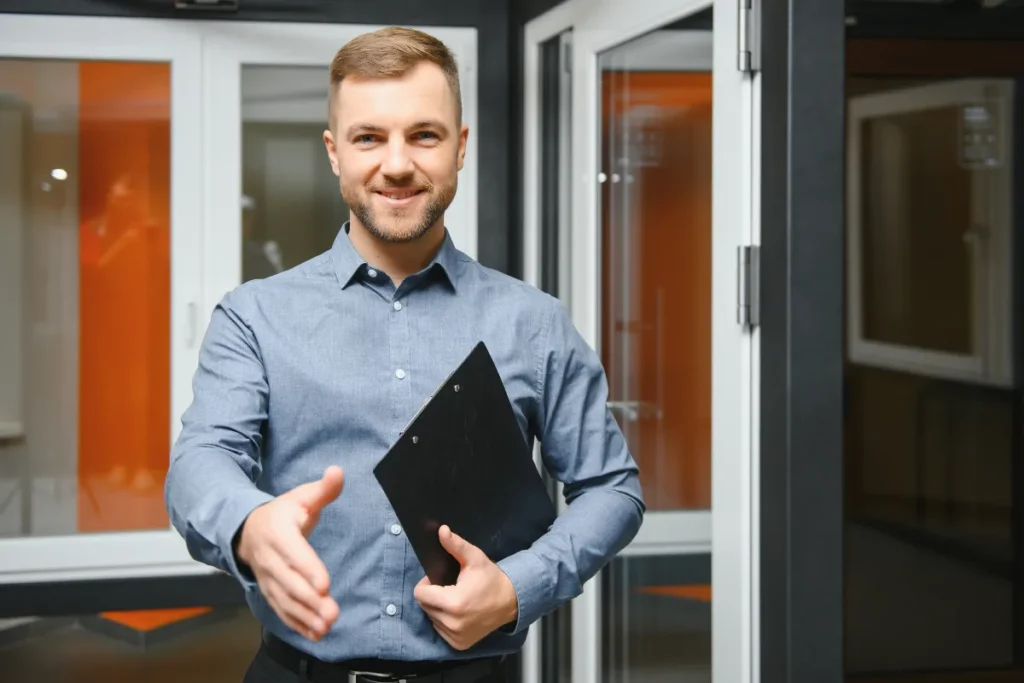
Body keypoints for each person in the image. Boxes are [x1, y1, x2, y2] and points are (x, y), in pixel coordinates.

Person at [165, 26, 644, 683]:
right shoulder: (256, 316)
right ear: (334, 153)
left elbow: (611, 486)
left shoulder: (534, 323)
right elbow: (200, 460)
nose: (396, 164)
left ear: (461, 146)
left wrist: (517, 586)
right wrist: (247, 524)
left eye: (424, 134)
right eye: (369, 137)